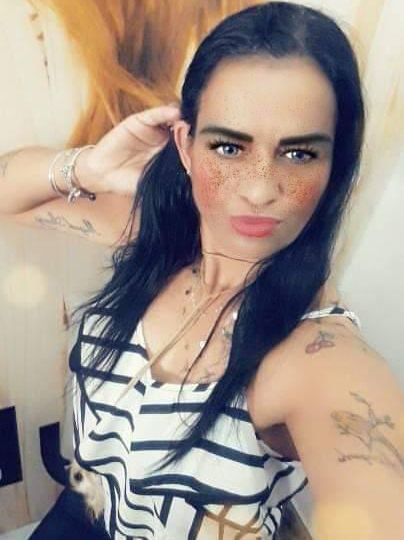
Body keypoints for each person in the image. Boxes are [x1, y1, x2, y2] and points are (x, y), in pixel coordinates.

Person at [29, 1, 404, 539]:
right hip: (82, 510)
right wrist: (89, 166)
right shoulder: (156, 238)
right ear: (186, 147)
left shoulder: (316, 355)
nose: (260, 190)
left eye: (299, 154)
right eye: (229, 147)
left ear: (333, 166)